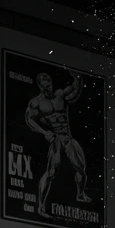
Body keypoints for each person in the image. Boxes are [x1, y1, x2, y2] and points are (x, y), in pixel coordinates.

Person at [25, 71, 90, 218]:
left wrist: (78, 78)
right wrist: (44, 132)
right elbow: (29, 119)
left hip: (68, 137)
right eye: (45, 86)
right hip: (56, 139)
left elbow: (75, 92)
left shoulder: (60, 94)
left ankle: (80, 194)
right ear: (40, 87)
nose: (48, 88)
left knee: (82, 170)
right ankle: (41, 207)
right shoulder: (37, 103)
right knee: (51, 172)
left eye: (49, 85)